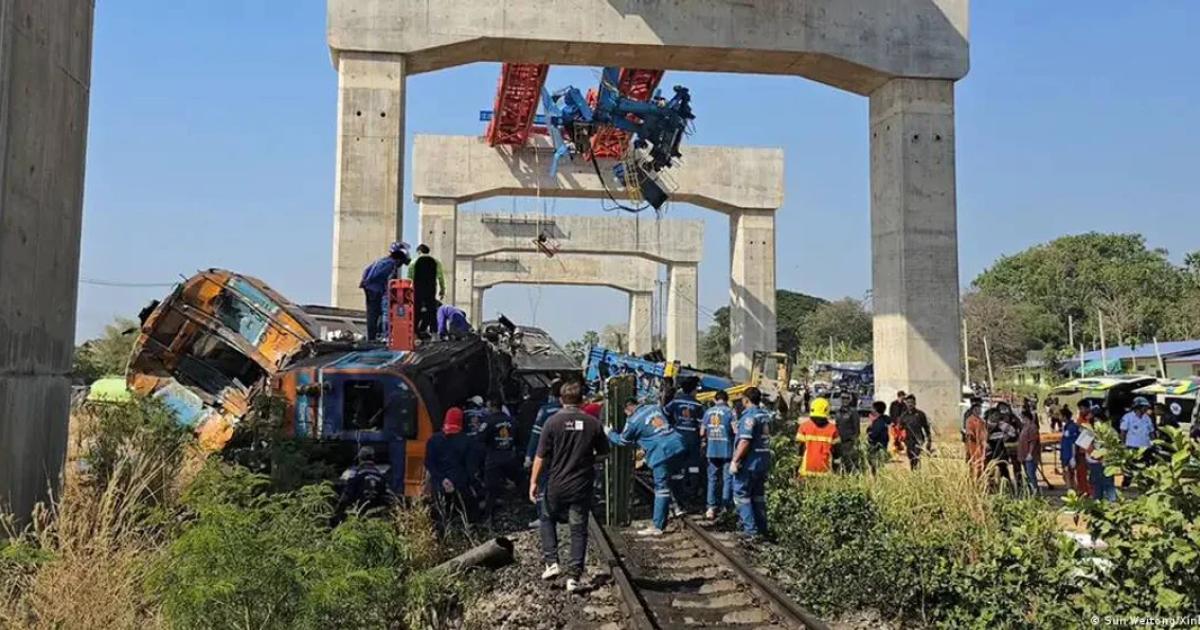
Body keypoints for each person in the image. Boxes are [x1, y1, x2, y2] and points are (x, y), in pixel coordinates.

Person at [529, 381, 609, 592]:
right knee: (578, 528)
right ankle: (573, 577)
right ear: (582, 400)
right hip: (581, 485)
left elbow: (540, 456)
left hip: (556, 484)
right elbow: (603, 454)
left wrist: (533, 482)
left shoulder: (551, 422)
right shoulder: (592, 423)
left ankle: (552, 562)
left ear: (561, 399)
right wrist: (588, 459)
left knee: (547, 518)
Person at [609, 397, 687, 536]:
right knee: (676, 477)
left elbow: (622, 441)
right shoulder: (655, 407)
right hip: (677, 443)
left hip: (660, 452)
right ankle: (678, 507)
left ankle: (658, 526)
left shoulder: (632, 421)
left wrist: (610, 433)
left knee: (661, 488)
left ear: (628, 409)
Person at [425, 407, 480, 531]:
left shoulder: (433, 440)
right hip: (460, 485)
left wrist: (443, 480)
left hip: (439, 484)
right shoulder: (468, 441)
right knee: (468, 517)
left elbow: (429, 463)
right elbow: (470, 468)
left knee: (439, 520)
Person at [731, 387, 772, 539]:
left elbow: (745, 441)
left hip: (750, 462)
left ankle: (751, 531)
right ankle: (762, 529)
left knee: (741, 494)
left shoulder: (749, 417)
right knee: (758, 496)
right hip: (763, 461)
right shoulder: (765, 415)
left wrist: (735, 460)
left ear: (746, 400)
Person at [525, 380, 564, 527]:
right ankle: (559, 513)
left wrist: (529, 455)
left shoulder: (545, 411)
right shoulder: (572, 412)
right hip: (566, 455)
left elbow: (536, 435)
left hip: (547, 455)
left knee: (543, 484)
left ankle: (544, 517)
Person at [480, 396, 522, 525]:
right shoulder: (513, 421)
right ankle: (525, 507)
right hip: (510, 456)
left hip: (493, 458)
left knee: (491, 489)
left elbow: (479, 439)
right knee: (520, 482)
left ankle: (488, 517)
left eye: (488, 406)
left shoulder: (488, 422)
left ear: (492, 406)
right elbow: (519, 440)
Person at [663, 377, 706, 503]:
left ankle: (677, 493)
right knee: (693, 465)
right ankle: (692, 491)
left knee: (677, 465)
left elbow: (665, 412)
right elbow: (701, 424)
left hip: (678, 437)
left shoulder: (676, 402)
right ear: (693, 390)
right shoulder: (698, 405)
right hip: (693, 438)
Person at [359, 241, 410, 340]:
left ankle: (373, 336)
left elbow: (366, 271)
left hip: (371, 288)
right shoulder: (390, 264)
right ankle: (376, 337)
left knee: (375, 313)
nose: (401, 265)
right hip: (374, 290)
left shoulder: (383, 261)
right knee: (376, 313)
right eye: (402, 261)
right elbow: (377, 276)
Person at [332, 446, 390, 526]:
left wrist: (337, 513)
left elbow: (345, 497)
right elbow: (388, 499)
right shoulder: (382, 478)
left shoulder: (356, 476)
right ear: (373, 459)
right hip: (377, 522)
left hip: (357, 519)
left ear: (360, 459)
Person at [700, 390, 736, 519]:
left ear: (715, 400)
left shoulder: (708, 412)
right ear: (726, 400)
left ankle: (710, 508)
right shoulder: (730, 412)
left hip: (712, 450)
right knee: (727, 479)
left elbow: (702, 432)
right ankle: (725, 507)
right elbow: (735, 430)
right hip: (727, 450)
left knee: (712, 479)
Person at [1078, 405, 1115, 501]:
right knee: (1102, 485)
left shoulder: (1108, 430)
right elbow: (1084, 447)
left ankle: (1106, 505)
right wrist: (1098, 457)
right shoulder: (1089, 430)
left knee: (1104, 485)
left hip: (1104, 461)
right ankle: (1104, 505)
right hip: (1097, 462)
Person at [795, 397, 839, 478]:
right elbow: (837, 453)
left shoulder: (804, 427)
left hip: (806, 471)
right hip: (825, 472)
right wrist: (836, 470)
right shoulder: (833, 429)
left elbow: (799, 450)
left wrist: (795, 470)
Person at [408, 244, 445, 335]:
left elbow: (409, 278)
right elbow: (440, 277)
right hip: (431, 289)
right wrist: (442, 289)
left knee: (416, 310)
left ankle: (414, 333)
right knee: (431, 310)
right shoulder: (436, 262)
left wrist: (409, 291)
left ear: (419, 252)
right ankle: (434, 334)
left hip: (418, 289)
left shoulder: (414, 262)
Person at [1119, 396, 1155, 488]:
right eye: (1144, 406)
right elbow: (1123, 432)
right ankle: (1126, 485)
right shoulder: (1127, 417)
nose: (1146, 408)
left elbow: (1151, 432)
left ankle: (1146, 485)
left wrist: (1154, 443)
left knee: (1146, 467)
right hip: (1132, 446)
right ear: (1138, 407)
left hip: (1145, 447)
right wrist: (1123, 445)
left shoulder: (1147, 418)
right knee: (1130, 467)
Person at [898, 394, 932, 469]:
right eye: (908, 402)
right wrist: (899, 438)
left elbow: (926, 427)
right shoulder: (904, 415)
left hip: (918, 439)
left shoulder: (920, 414)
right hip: (908, 440)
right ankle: (913, 470)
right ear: (906, 403)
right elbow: (899, 428)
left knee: (916, 456)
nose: (910, 404)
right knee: (910, 457)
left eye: (911, 402)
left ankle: (916, 470)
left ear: (915, 403)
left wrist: (929, 440)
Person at [833, 391, 861, 473]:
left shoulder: (853, 412)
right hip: (840, 441)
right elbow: (836, 426)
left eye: (847, 398)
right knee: (839, 462)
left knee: (850, 463)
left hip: (849, 442)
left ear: (850, 399)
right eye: (843, 398)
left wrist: (855, 441)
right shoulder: (838, 412)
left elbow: (857, 428)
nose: (845, 400)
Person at [1017, 409, 1041, 496]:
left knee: (1031, 474)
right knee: (1027, 474)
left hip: (1030, 455)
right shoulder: (1025, 426)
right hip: (1024, 454)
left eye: (1022, 417)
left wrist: (1030, 453)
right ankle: (1030, 490)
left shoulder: (1032, 427)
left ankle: (1035, 491)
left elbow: (1033, 441)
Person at [963, 399, 988, 480]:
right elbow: (969, 432)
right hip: (973, 445)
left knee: (981, 464)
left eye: (979, 409)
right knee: (973, 465)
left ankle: (979, 481)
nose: (978, 411)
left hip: (981, 445)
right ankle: (973, 482)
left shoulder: (981, 420)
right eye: (976, 409)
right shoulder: (970, 419)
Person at [866, 401, 892, 473]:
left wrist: (870, 425)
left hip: (876, 445)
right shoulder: (885, 419)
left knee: (875, 465)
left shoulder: (878, 422)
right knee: (879, 465)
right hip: (883, 445)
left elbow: (873, 434)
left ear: (876, 410)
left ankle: (876, 480)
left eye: (873, 408)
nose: (871, 410)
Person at [1058, 406, 1079, 492]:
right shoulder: (1066, 427)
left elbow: (1073, 443)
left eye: (1060, 415)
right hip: (1065, 454)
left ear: (1064, 416)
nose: (1059, 417)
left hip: (1069, 455)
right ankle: (1071, 490)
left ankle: (1071, 490)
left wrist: (1073, 456)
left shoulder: (1072, 427)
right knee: (1067, 473)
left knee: (1068, 474)